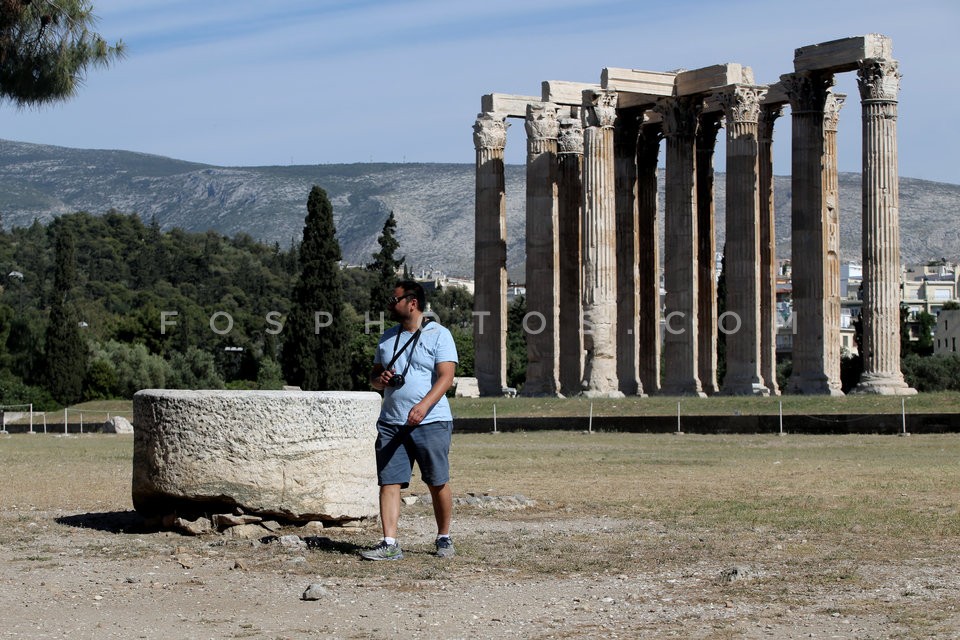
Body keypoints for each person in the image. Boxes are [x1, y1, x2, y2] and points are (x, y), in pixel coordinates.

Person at [360, 280, 458, 561]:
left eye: (395, 300)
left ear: (412, 302)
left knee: (437, 480)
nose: (390, 304)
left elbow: (446, 377)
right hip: (392, 421)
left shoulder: (440, 335)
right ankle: (389, 543)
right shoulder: (387, 337)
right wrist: (381, 379)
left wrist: (424, 406)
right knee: (389, 482)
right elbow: (374, 378)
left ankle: (443, 537)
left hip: (431, 420)